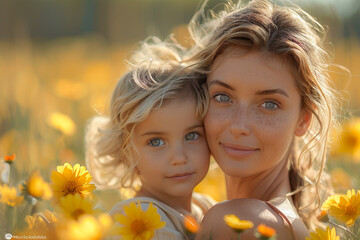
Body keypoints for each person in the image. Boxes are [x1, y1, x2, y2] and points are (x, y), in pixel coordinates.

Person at [183, 0, 340, 239]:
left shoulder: (242, 223)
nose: (238, 126)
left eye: (269, 104)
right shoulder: (283, 221)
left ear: (303, 119)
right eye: (223, 97)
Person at [85, 47, 216, 239]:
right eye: (156, 142)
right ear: (126, 153)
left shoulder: (205, 207)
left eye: (192, 136)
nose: (179, 158)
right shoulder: (141, 220)